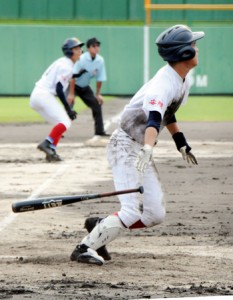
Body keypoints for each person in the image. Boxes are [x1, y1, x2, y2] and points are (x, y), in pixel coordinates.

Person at [70, 24, 205, 265]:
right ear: (184, 53)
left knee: (155, 214)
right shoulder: (162, 83)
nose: (197, 48)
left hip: (141, 147)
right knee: (131, 210)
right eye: (193, 45)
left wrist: (180, 141)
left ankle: (101, 226)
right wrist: (149, 149)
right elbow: (154, 119)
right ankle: (84, 247)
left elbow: (167, 114)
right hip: (125, 146)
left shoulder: (182, 81)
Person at [30, 37, 84, 162]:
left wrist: (76, 75)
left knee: (61, 124)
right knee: (65, 121)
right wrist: (68, 108)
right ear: (69, 51)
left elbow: (62, 77)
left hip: (36, 96)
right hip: (44, 95)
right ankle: (46, 144)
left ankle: (52, 151)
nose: (80, 50)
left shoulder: (63, 62)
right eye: (76, 48)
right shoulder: (67, 65)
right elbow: (59, 88)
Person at [68, 37, 109, 137]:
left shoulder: (100, 60)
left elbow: (100, 78)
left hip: (85, 87)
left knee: (97, 105)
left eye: (97, 46)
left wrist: (98, 94)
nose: (96, 48)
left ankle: (99, 131)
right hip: (73, 85)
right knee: (68, 106)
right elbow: (72, 76)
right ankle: (59, 131)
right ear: (88, 48)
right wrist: (71, 94)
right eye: (93, 46)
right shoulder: (81, 58)